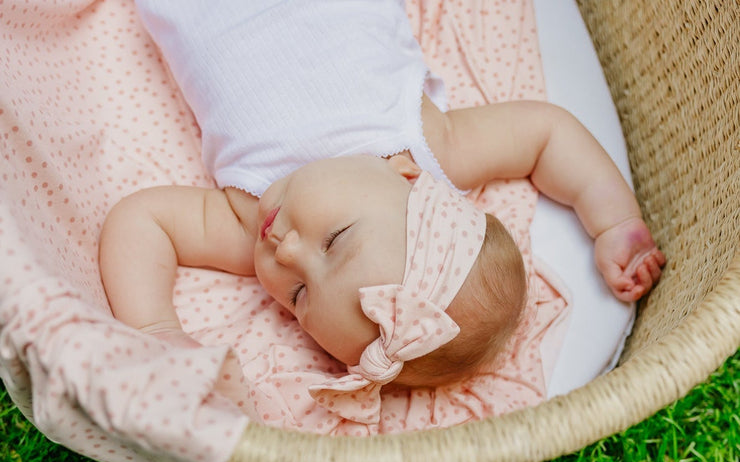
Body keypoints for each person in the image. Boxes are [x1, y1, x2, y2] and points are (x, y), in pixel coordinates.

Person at [100, 0, 665, 405]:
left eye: (297, 297)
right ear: (406, 175)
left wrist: (155, 333)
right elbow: (545, 132)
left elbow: (140, 222)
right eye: (335, 238)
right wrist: (613, 220)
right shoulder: (428, 144)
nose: (286, 249)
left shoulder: (247, 220)